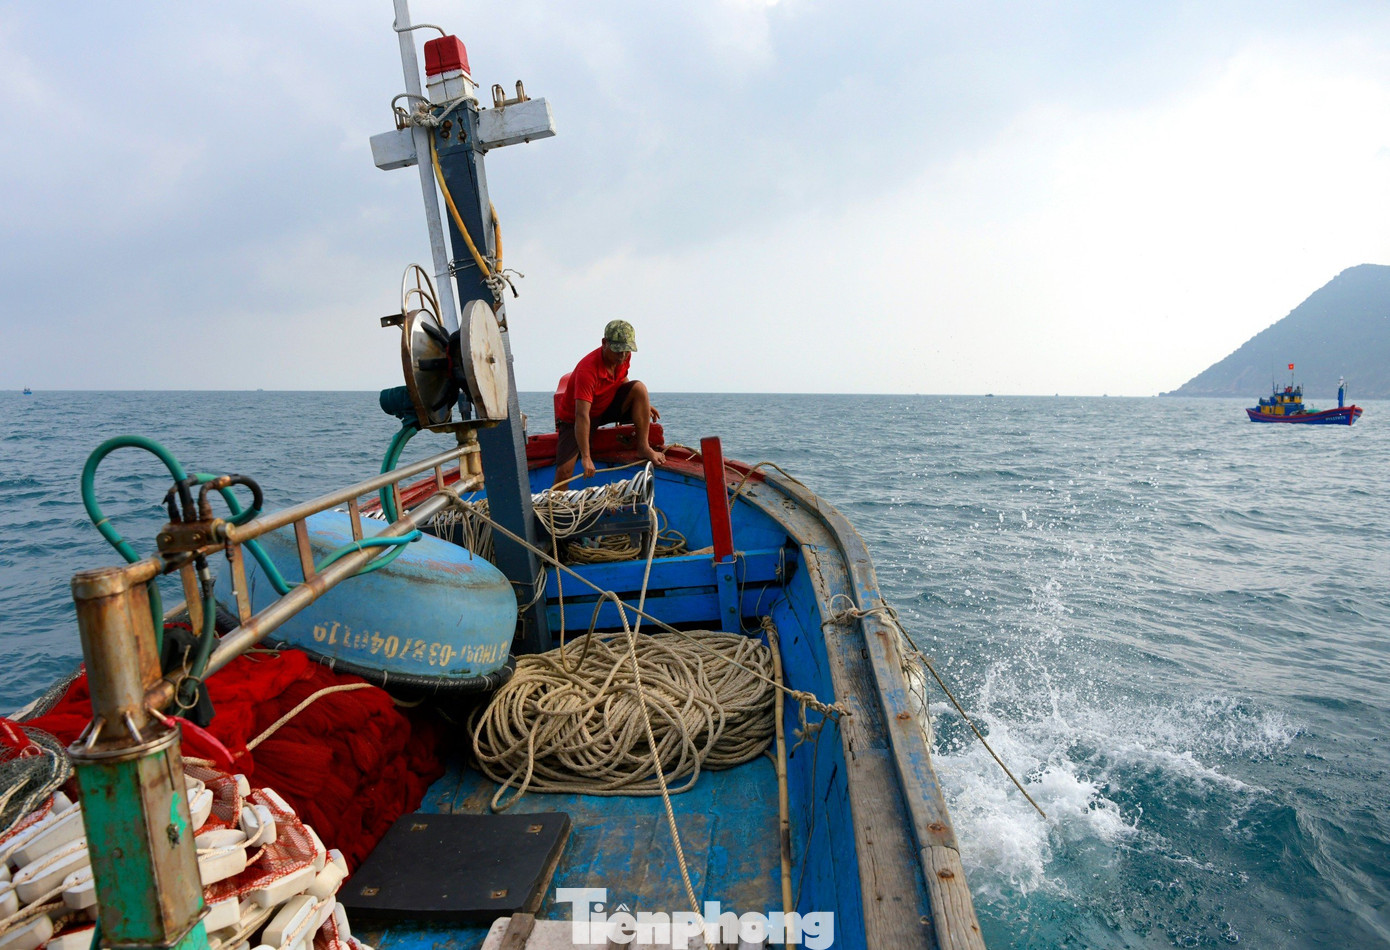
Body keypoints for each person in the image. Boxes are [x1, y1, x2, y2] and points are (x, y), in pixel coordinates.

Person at [553, 320, 665, 486]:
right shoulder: (588, 370)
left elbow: (621, 380)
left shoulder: (624, 356)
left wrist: (642, 405)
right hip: (576, 419)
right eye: (617, 351)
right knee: (564, 473)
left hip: (604, 408)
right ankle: (557, 508)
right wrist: (586, 456)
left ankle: (643, 447)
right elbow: (581, 415)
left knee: (639, 388)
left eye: (626, 351)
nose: (622, 356)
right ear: (604, 343)